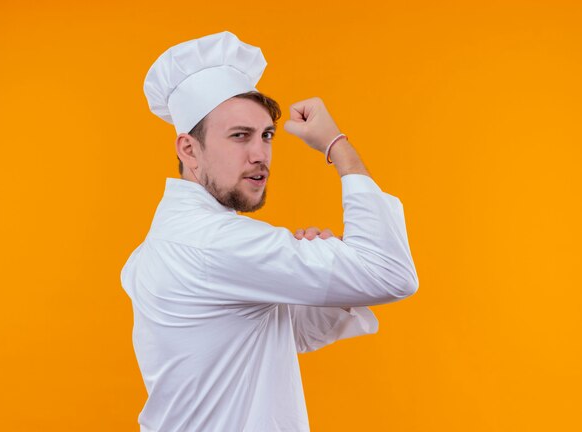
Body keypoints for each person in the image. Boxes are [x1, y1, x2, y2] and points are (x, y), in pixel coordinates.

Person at [121, 31, 419, 432]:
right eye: (239, 136)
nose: (260, 154)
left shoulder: (168, 243)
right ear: (189, 150)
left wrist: (331, 276)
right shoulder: (214, 243)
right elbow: (390, 272)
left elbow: (277, 333)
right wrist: (337, 145)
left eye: (267, 136)